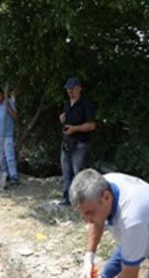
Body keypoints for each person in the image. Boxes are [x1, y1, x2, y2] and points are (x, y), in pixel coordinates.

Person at [58, 77, 96, 206]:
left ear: (79, 88)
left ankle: (81, 201)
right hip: (67, 142)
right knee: (66, 172)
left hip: (80, 144)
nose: (70, 91)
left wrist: (75, 129)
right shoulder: (67, 103)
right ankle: (66, 198)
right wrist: (63, 119)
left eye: (72, 88)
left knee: (78, 174)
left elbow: (92, 125)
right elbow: (68, 121)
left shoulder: (86, 104)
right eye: (68, 89)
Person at [0, 87, 19, 186]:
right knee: (0, 154)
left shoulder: (9, 102)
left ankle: (14, 176)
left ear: (3, 94)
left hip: (7, 134)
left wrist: (7, 107)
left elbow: (15, 116)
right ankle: (5, 173)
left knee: (9, 156)